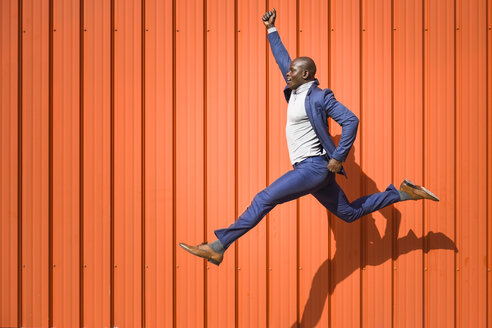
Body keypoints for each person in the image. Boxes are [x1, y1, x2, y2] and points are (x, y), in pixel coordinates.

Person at [179, 8, 439, 266]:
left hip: (314, 166)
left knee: (263, 199)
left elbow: (351, 120)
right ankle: (403, 193)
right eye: (288, 71)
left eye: (292, 71)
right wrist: (271, 29)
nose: (287, 73)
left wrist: (338, 157)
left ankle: (218, 246)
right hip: (313, 171)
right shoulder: (294, 90)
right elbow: (283, 59)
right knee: (349, 213)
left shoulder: (319, 96)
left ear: (306, 74)